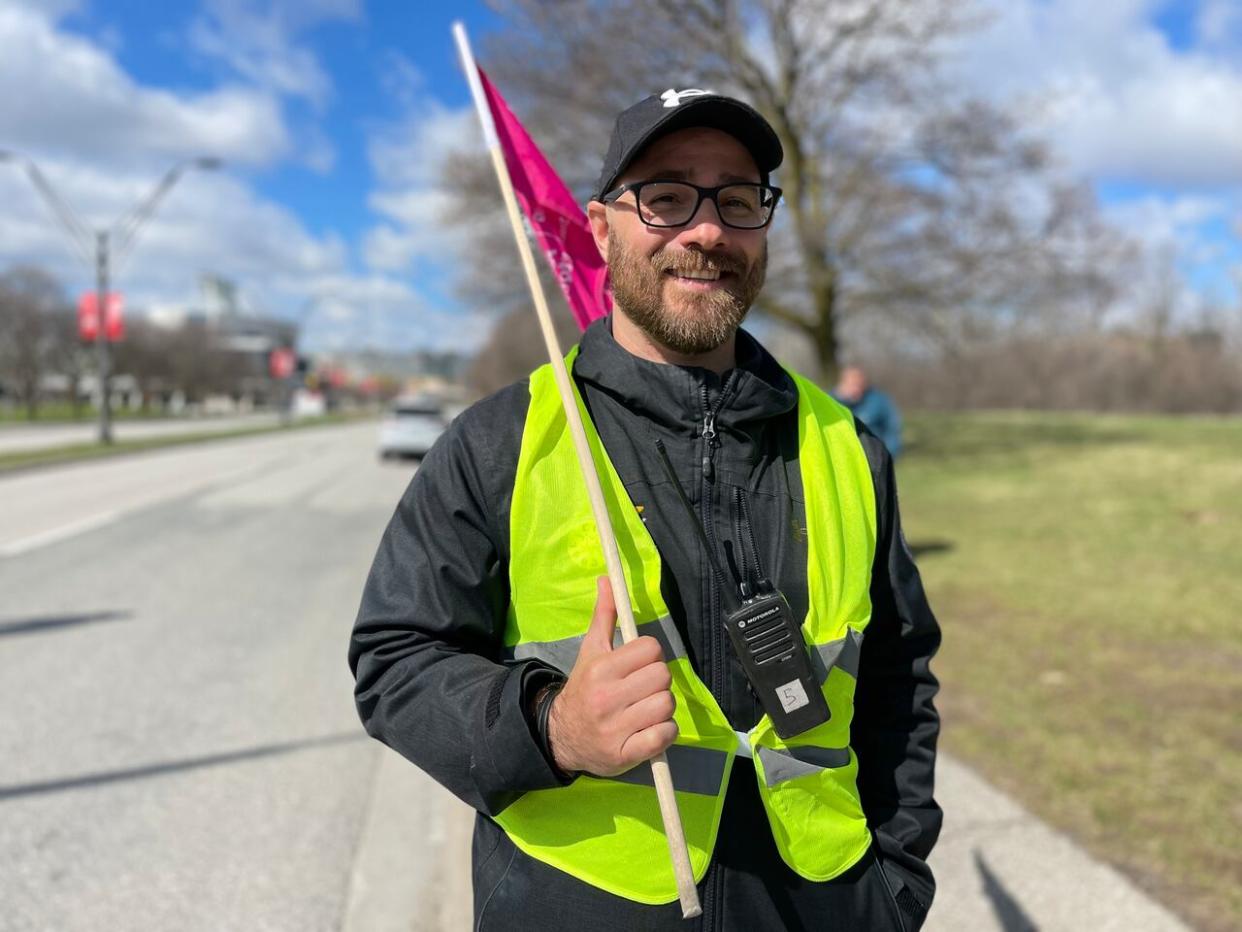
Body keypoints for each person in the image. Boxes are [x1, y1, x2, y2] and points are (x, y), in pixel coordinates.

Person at [350, 89, 941, 931]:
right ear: (600, 229)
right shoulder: (503, 441)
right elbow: (395, 658)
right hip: (580, 905)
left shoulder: (846, 443)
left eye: (738, 201)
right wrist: (550, 726)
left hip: (824, 904)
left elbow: (898, 676)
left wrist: (896, 884)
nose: (706, 232)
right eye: (666, 197)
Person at [833, 366, 904, 458]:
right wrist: (843, 399)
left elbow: (893, 428)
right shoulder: (832, 401)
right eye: (851, 384)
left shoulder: (879, 400)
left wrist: (889, 454)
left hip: (875, 456)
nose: (855, 388)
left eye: (858, 384)